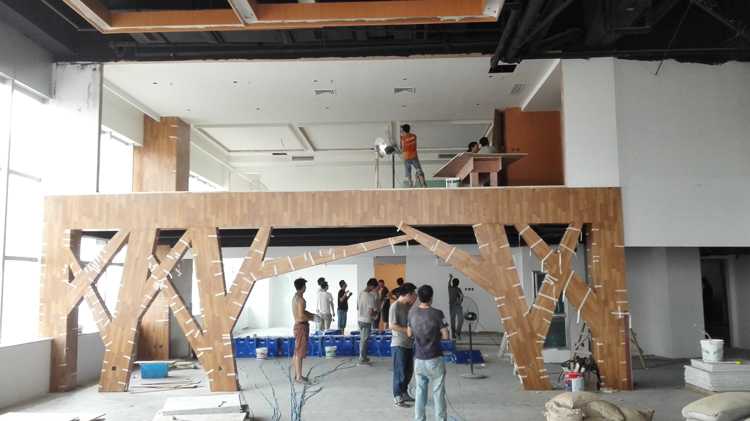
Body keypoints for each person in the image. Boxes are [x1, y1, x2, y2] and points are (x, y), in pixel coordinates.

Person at [408, 285, 449, 421]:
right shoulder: (437, 313)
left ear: (419, 297)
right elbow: (446, 336)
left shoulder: (412, 313)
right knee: (438, 392)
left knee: (420, 392)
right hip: (434, 357)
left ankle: (419, 418)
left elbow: (409, 333)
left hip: (419, 359)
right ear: (431, 297)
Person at [390, 282, 417, 407]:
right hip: (399, 343)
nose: (415, 296)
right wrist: (407, 330)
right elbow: (392, 325)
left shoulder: (407, 306)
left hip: (409, 343)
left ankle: (404, 392)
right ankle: (397, 396)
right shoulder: (395, 306)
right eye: (413, 294)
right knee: (399, 372)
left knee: (408, 371)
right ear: (408, 294)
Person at [292, 278, 316, 384]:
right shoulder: (300, 300)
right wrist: (312, 318)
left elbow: (302, 312)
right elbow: (301, 316)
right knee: (300, 353)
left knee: (297, 351)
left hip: (298, 326)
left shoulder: (296, 297)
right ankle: (299, 377)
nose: (306, 287)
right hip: (301, 327)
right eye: (305, 285)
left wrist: (313, 315)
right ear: (303, 287)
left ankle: (297, 375)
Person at [357, 278, 379, 365]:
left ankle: (364, 357)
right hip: (366, 320)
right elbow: (370, 312)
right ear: (372, 286)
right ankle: (362, 359)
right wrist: (376, 314)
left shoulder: (360, 293)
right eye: (375, 287)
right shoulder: (370, 297)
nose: (374, 289)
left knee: (362, 339)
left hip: (359, 319)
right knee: (364, 340)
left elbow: (357, 307)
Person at [448, 274, 464, 340]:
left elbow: (462, 296)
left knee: (460, 319)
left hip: (456, 306)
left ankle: (457, 333)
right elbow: (462, 297)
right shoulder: (451, 288)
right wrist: (450, 278)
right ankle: (454, 334)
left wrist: (460, 302)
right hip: (452, 305)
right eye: (455, 282)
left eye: (456, 282)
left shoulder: (457, 289)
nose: (455, 283)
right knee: (453, 320)